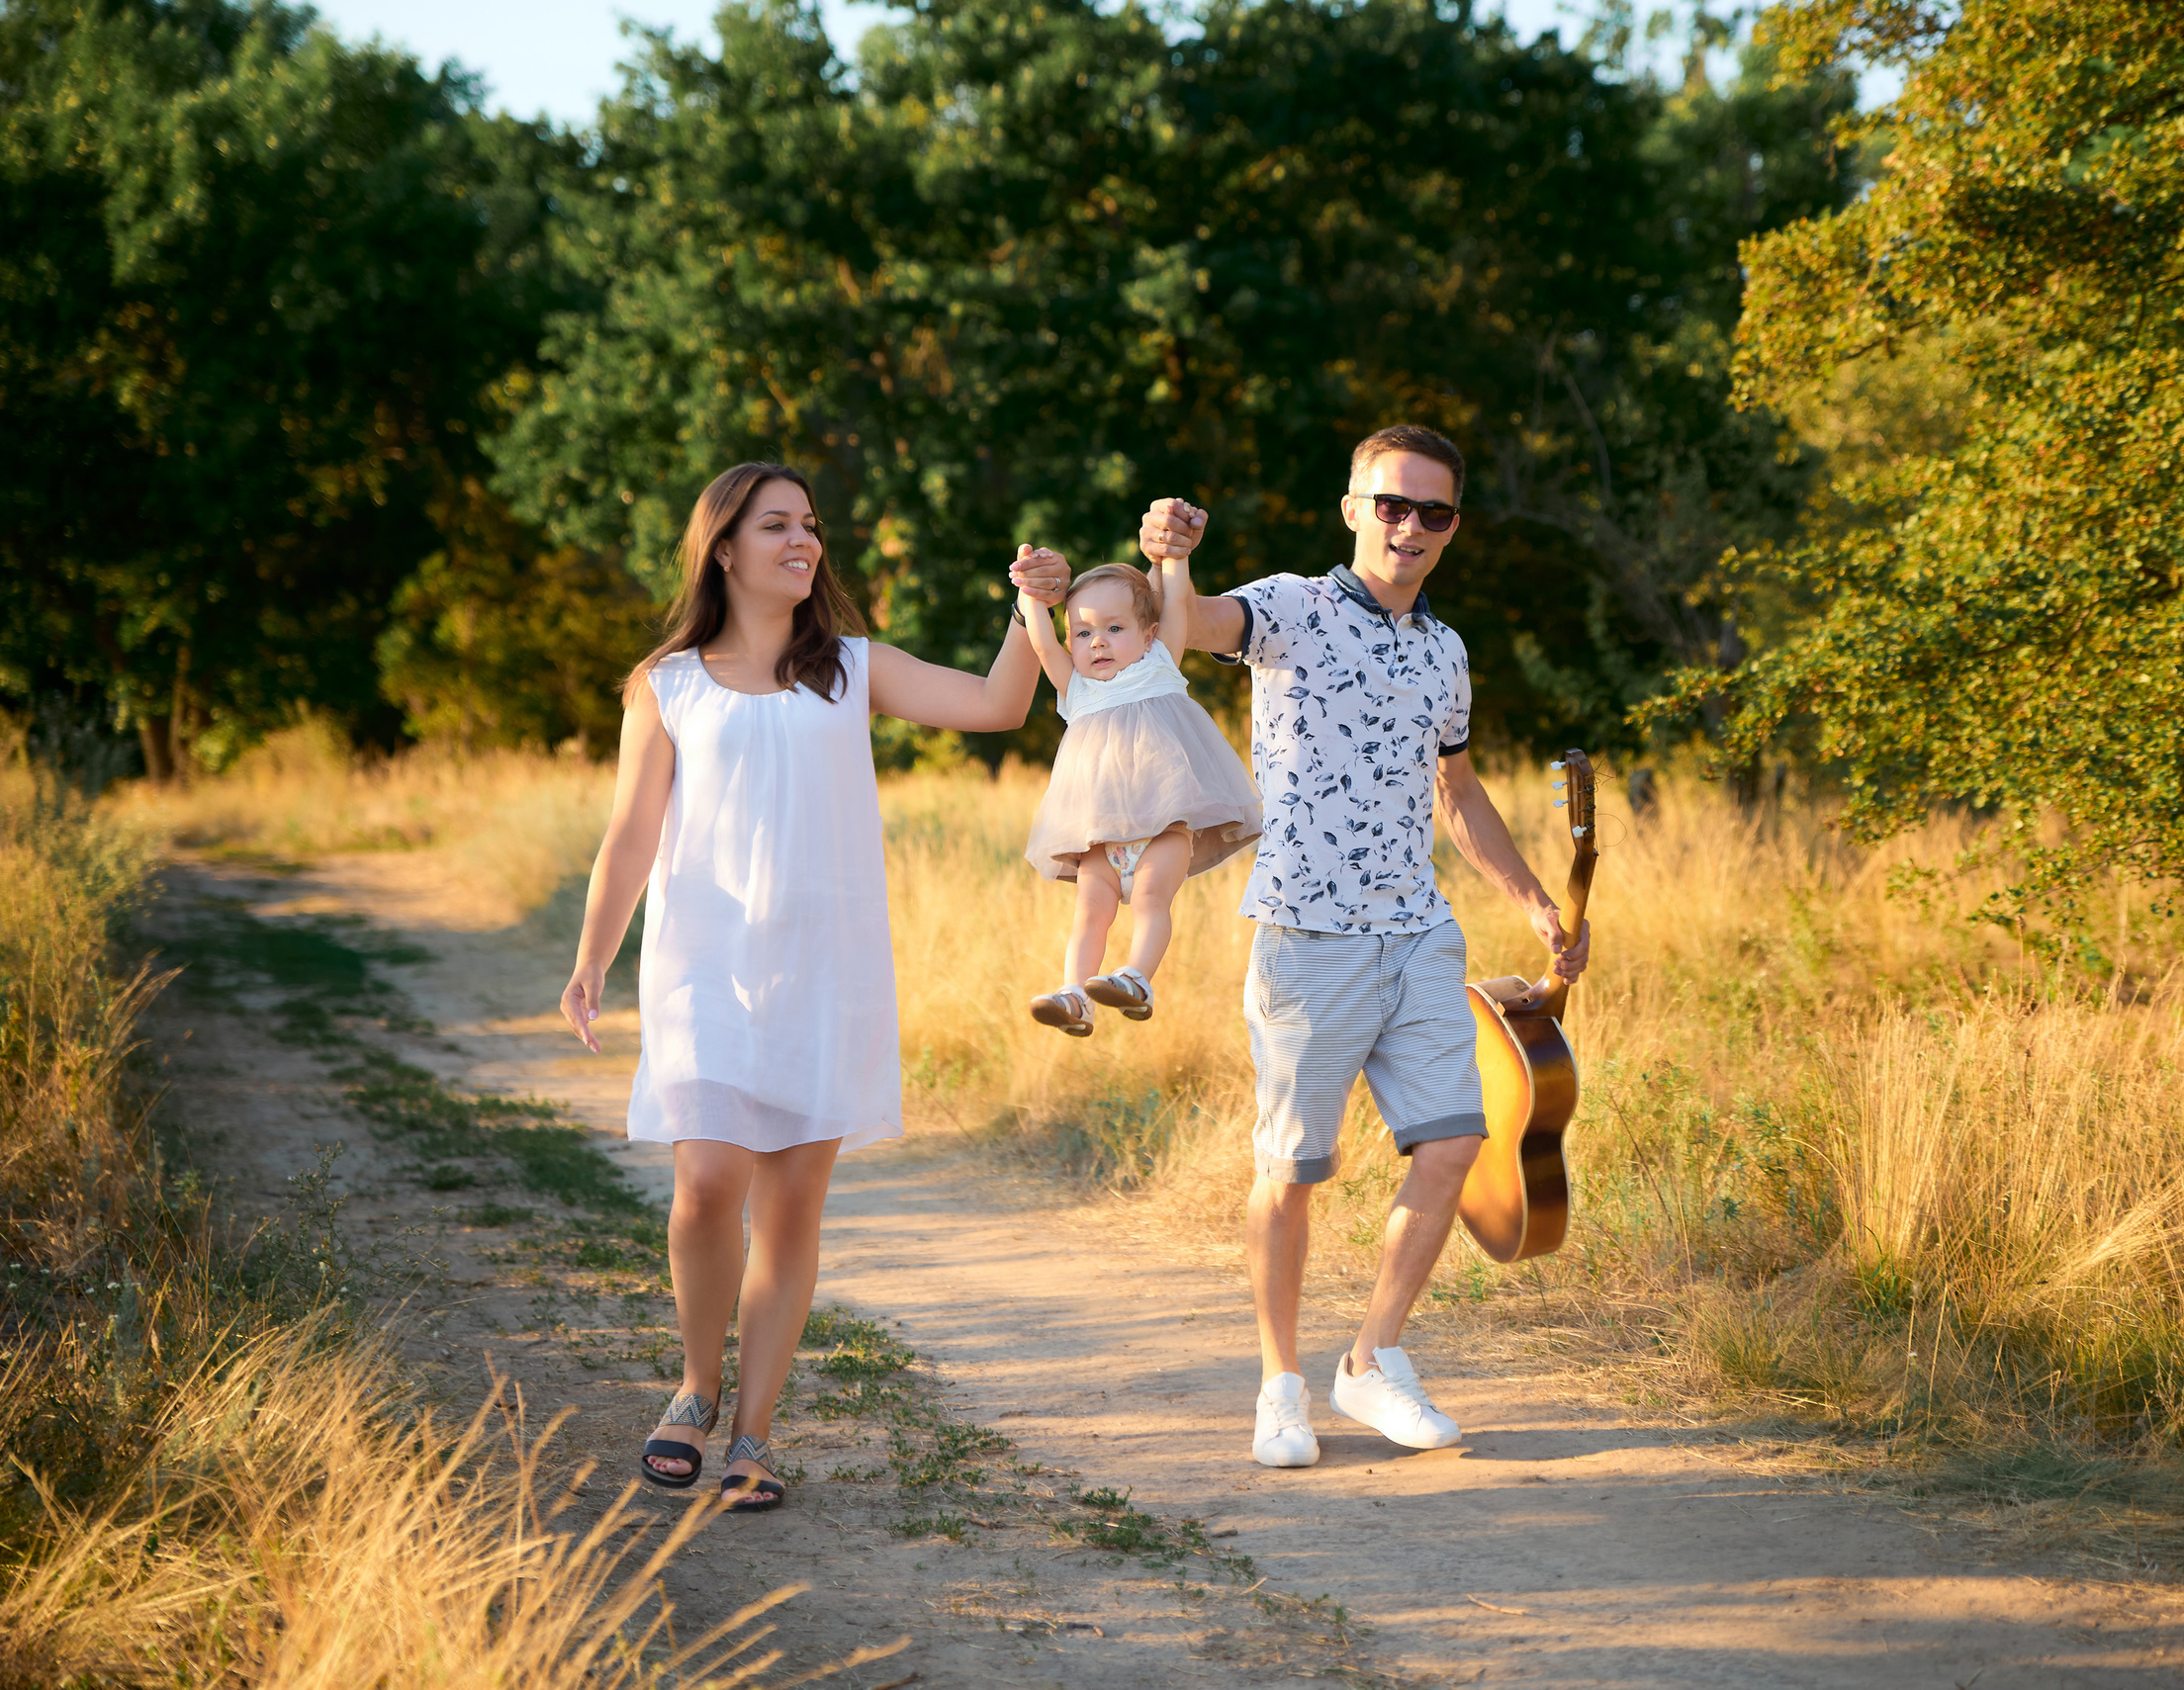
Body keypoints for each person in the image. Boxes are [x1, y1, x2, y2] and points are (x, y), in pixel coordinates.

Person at [559, 462, 1064, 1512]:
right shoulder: (669, 684)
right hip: (704, 966)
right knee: (705, 1184)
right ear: (725, 548)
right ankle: (693, 1392)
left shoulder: (851, 668)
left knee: (789, 1212)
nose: (804, 541)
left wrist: (1034, 605)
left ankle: (753, 1434)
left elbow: (998, 705)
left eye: (811, 525)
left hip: (824, 973)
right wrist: (591, 956)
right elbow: (629, 834)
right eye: (777, 524)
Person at [1139, 425, 1590, 1468]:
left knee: (1452, 1142)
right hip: (1307, 934)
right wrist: (1170, 558)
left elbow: (1458, 790)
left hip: (1419, 931)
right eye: (1390, 503)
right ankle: (1279, 1385)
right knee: (1292, 1170)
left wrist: (1528, 897)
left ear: (1452, 529)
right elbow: (1186, 629)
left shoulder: (1446, 650)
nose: (1410, 526)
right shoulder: (1292, 606)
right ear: (1353, 507)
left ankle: (1371, 1358)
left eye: (1432, 511)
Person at [1013, 547, 1262, 1035]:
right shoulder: (1076, 690)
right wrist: (1030, 594)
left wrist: (1176, 556)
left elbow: (1173, 605)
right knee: (1089, 913)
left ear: (1148, 637)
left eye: (1114, 628)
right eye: (1083, 633)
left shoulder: (1159, 664)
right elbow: (1043, 646)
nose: (1098, 642)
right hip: (1101, 841)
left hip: (1164, 828)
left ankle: (1137, 979)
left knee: (1150, 898)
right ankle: (1075, 996)